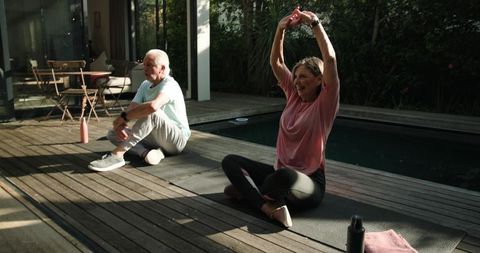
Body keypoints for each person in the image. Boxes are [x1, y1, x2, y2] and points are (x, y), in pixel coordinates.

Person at [221, 7, 340, 228]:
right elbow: (276, 63)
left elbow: (330, 59)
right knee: (230, 161)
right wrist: (280, 29)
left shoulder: (325, 103)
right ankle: (266, 205)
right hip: (277, 174)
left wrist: (314, 22)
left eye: (303, 76)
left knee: (284, 177)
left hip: (308, 182)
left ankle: (250, 193)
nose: (296, 81)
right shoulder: (293, 97)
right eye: (295, 77)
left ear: (318, 80)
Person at [89, 49, 190, 172]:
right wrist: (121, 124)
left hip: (176, 140)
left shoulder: (170, 84)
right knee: (113, 133)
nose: (145, 69)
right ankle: (148, 153)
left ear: (162, 68)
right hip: (154, 138)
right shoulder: (145, 85)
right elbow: (133, 107)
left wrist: (123, 118)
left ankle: (118, 155)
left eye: (149, 65)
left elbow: (153, 106)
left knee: (152, 111)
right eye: (144, 65)